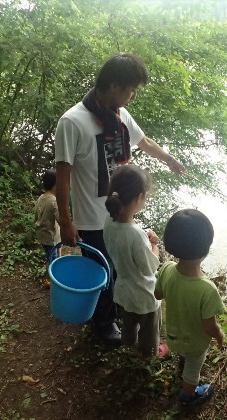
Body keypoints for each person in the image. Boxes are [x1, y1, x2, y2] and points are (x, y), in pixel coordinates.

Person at [53, 53, 185, 345]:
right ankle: (104, 323)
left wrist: (169, 160)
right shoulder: (72, 122)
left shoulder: (119, 115)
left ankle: (119, 312)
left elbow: (143, 141)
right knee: (102, 270)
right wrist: (66, 220)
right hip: (91, 217)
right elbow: (63, 175)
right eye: (131, 89)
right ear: (113, 85)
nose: (133, 95)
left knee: (122, 268)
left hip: (120, 211)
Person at [154, 209, 225, 408]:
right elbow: (209, 327)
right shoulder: (207, 289)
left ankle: (182, 358)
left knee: (184, 353)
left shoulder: (167, 268)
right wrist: (220, 335)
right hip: (195, 344)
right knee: (193, 370)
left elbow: (157, 295)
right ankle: (188, 396)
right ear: (206, 249)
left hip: (173, 336)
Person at [103, 165, 162, 358]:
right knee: (149, 330)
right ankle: (147, 354)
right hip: (144, 295)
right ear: (138, 198)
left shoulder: (108, 222)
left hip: (124, 290)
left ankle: (128, 344)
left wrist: (144, 239)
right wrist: (154, 245)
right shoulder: (136, 234)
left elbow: (120, 243)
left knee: (128, 323)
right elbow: (149, 268)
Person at [34, 168, 61, 289]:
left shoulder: (41, 197)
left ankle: (55, 273)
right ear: (55, 185)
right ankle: (52, 281)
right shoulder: (54, 201)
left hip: (43, 235)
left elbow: (36, 214)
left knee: (52, 256)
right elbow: (60, 220)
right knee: (53, 260)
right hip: (51, 237)